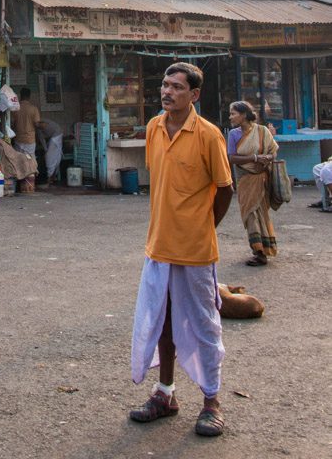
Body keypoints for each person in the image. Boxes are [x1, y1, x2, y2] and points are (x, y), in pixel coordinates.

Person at [129, 62, 233, 438]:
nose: (167, 91)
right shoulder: (154, 127)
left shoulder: (208, 135)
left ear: (194, 95)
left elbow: (224, 188)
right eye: (164, 84)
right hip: (159, 246)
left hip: (195, 250)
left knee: (204, 325)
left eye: (176, 86)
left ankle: (211, 402)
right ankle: (165, 394)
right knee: (162, 322)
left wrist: (203, 227)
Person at [227, 100, 278, 265]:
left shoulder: (262, 131)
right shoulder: (233, 134)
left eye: (233, 113)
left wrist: (267, 158)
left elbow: (273, 152)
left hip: (261, 178)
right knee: (249, 214)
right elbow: (232, 157)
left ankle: (262, 252)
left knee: (260, 213)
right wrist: (255, 158)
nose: (230, 117)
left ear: (243, 115)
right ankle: (258, 249)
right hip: (244, 179)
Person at [38, 116, 63, 186]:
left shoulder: (44, 122)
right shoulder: (39, 129)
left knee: (51, 157)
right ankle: (52, 176)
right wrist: (45, 148)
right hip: (55, 137)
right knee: (53, 157)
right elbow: (42, 140)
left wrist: (46, 150)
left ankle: (50, 177)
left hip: (56, 137)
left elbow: (43, 139)